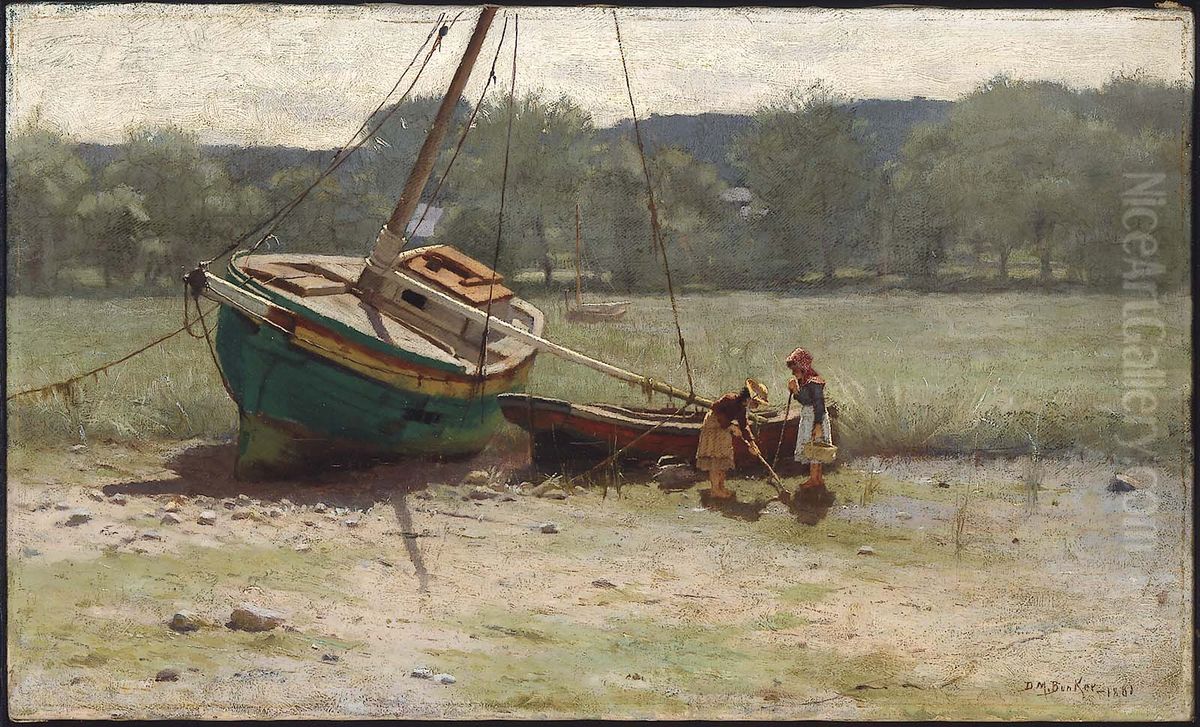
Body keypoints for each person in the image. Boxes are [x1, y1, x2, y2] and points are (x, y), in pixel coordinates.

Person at [695, 380, 768, 499]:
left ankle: (721, 487)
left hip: (723, 427)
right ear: (748, 398)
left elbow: (744, 425)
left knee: (724, 458)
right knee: (715, 460)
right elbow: (715, 409)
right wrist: (731, 426)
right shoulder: (730, 398)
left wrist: (752, 443)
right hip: (713, 425)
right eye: (756, 403)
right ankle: (715, 490)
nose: (757, 406)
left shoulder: (742, 408)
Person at [786, 348, 832, 488]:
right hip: (808, 417)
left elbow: (819, 404)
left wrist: (817, 425)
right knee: (814, 449)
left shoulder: (814, 382)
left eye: (795, 368)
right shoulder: (805, 381)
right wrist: (795, 390)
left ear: (803, 366)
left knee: (815, 448)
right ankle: (817, 478)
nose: (793, 372)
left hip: (814, 418)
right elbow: (805, 399)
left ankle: (814, 479)